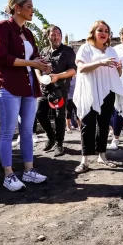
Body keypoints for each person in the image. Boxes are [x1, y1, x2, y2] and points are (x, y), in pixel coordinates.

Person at [0, 0, 51, 191]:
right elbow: (2, 58)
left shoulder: (27, 33)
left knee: (26, 131)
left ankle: (29, 170)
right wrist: (32, 63)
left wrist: (42, 65)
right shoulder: (2, 27)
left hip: (28, 87)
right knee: (8, 132)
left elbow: (33, 57)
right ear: (17, 7)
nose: (32, 10)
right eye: (29, 6)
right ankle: (8, 175)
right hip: (8, 85)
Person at [73, 20, 123, 174]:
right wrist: (100, 62)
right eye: (100, 30)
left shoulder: (111, 51)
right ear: (93, 33)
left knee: (104, 124)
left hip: (107, 91)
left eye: (106, 31)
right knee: (87, 124)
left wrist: (119, 69)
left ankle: (102, 156)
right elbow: (81, 68)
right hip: (90, 91)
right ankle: (84, 160)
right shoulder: (85, 48)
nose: (104, 33)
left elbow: (117, 74)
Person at [35, 25, 77, 157]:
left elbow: (73, 70)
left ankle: (59, 143)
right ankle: (51, 137)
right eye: (53, 34)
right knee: (39, 113)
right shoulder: (43, 51)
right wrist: (40, 77)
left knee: (59, 116)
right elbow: (37, 66)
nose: (56, 36)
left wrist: (58, 76)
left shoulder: (68, 51)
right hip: (45, 89)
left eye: (58, 34)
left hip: (61, 88)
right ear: (48, 36)